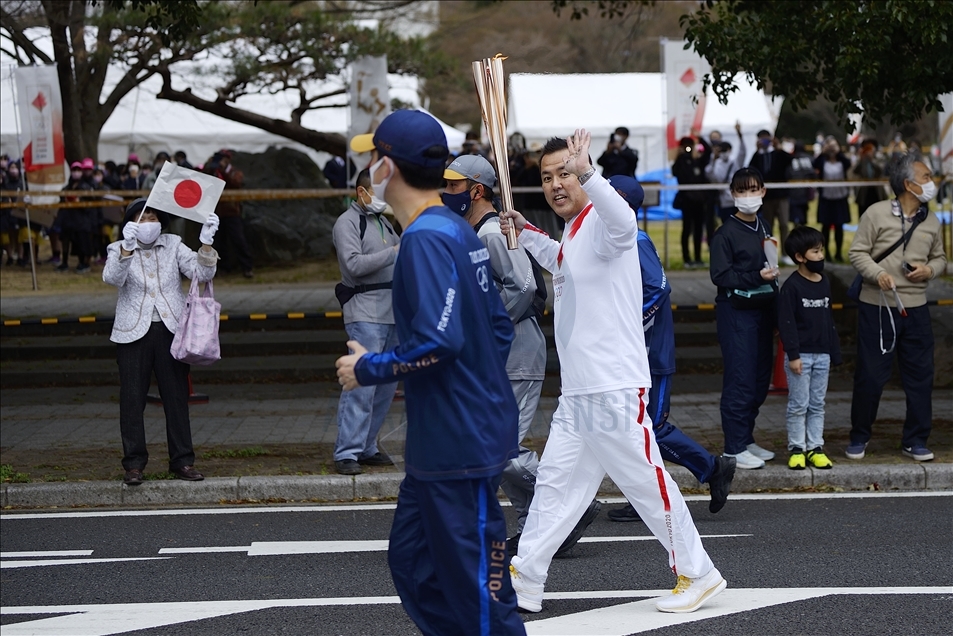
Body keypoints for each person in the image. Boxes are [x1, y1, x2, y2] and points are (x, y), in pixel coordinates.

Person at [500, 130, 726, 615]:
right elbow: (562, 263)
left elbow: (623, 221)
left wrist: (589, 173)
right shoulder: (575, 230)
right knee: (557, 486)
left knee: (646, 481)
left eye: (565, 174)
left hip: (613, 386)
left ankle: (699, 572)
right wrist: (524, 229)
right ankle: (526, 576)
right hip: (580, 391)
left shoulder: (607, 222)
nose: (556, 184)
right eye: (547, 177)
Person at [336, 110, 526, 635]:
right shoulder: (453, 229)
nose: (370, 166)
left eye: (373, 156)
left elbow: (440, 342)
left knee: (479, 590)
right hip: (446, 441)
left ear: (387, 167)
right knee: (414, 566)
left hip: (456, 444)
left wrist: (367, 366)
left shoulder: (426, 238)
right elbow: (497, 329)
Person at [443, 154, 600, 558]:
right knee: (491, 448)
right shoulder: (473, 232)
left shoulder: (494, 232)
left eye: (454, 186)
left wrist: (487, 328)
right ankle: (544, 524)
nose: (447, 193)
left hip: (514, 353)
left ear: (477, 190)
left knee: (499, 449)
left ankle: (566, 507)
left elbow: (525, 286)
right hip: (493, 356)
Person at [603, 175, 736, 521]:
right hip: (632, 355)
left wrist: (631, 326)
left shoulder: (636, 240)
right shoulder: (616, 239)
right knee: (635, 430)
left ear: (622, 202)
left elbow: (659, 289)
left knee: (653, 428)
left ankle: (713, 468)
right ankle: (649, 496)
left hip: (651, 356)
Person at [103, 198, 220, 485]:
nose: (148, 223)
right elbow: (112, 278)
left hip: (171, 330)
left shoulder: (173, 244)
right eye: (142, 218)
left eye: (153, 217)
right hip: (132, 333)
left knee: (176, 397)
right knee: (132, 399)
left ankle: (182, 460)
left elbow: (201, 274)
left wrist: (205, 244)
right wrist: (126, 248)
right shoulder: (118, 247)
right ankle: (134, 463)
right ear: (130, 223)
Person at [847, 152, 946, 463]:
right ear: (908, 184)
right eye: (927, 177)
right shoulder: (875, 214)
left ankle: (916, 439)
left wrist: (929, 271)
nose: (933, 183)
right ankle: (859, 435)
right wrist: (879, 274)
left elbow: (940, 258)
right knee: (871, 376)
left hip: (916, 308)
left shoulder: (931, 220)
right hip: (877, 306)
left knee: (920, 376)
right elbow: (857, 253)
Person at [709, 167, 781, 470]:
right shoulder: (725, 233)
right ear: (733, 194)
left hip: (763, 310)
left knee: (759, 379)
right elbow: (720, 275)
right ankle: (734, 447)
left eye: (753, 190)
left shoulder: (762, 225)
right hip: (737, 312)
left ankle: (747, 438)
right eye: (742, 191)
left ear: (763, 191)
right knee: (740, 379)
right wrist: (756, 276)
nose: (748, 196)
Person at [330, 168, 400, 476]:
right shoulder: (347, 222)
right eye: (378, 192)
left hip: (393, 312)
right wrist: (396, 252)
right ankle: (347, 450)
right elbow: (353, 265)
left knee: (385, 385)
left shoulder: (383, 221)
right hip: (365, 312)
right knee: (361, 383)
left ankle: (367, 445)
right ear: (362, 192)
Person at [778, 225, 841, 470]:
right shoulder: (792, 287)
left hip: (822, 354)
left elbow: (828, 320)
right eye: (815, 252)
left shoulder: (824, 282)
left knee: (817, 404)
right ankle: (796, 448)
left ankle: (815, 447)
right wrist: (793, 355)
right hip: (800, 356)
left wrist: (833, 352)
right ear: (800, 257)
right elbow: (787, 323)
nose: (821, 256)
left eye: (822, 250)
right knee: (798, 404)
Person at [207, 149, 254, 278]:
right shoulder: (214, 172)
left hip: (232, 212)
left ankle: (247, 267)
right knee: (219, 242)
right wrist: (211, 167)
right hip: (217, 212)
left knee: (238, 240)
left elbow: (236, 183)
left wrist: (223, 171)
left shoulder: (235, 172)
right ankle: (224, 268)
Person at [749, 130, 793, 262]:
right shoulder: (757, 156)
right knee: (768, 226)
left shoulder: (778, 154)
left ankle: (786, 254)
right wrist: (757, 151)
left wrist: (779, 148)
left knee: (784, 224)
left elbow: (790, 160)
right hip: (766, 197)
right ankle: (769, 254)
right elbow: (752, 170)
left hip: (781, 195)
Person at [672, 136, 711, 268]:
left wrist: (699, 138)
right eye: (686, 146)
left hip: (699, 200)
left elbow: (708, 151)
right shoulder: (680, 162)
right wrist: (679, 155)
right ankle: (686, 258)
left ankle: (698, 258)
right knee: (687, 229)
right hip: (686, 200)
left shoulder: (698, 161)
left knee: (699, 229)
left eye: (690, 146)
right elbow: (675, 172)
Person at [813, 137, 852, 262]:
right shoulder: (822, 161)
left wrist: (838, 151)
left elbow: (848, 163)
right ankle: (826, 252)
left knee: (839, 226)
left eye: (834, 146)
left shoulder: (842, 161)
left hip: (840, 197)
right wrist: (824, 151)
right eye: (829, 146)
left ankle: (839, 253)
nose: (831, 149)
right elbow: (814, 164)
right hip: (826, 198)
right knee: (825, 227)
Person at [705, 122, 746, 223]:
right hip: (724, 201)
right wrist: (714, 159)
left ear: (730, 150)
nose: (723, 153)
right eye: (721, 151)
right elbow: (710, 175)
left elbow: (742, 152)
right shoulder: (716, 163)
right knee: (727, 225)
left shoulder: (734, 162)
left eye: (725, 150)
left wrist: (740, 135)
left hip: (737, 200)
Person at [852, 139, 886, 216]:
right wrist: (861, 159)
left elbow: (880, 171)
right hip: (864, 193)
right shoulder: (861, 161)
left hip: (877, 192)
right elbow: (854, 171)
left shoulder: (879, 159)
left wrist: (872, 161)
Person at [787, 142, 817, 226]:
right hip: (805, 192)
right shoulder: (809, 159)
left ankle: (797, 227)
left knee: (795, 216)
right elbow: (813, 175)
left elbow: (788, 174)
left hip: (793, 192)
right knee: (803, 215)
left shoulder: (791, 159)